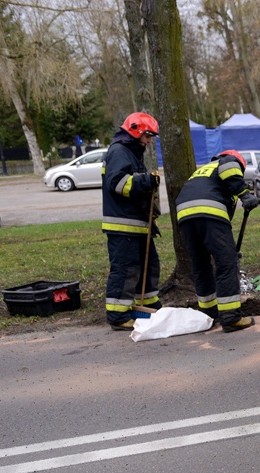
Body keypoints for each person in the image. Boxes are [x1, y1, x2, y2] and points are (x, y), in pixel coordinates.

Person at [175, 150, 259, 333]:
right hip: (209, 211)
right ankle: (230, 318)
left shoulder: (203, 171)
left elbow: (226, 216)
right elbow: (231, 171)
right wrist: (245, 194)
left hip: (184, 215)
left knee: (201, 265)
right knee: (226, 263)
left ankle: (209, 312)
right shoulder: (229, 161)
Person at [101, 112, 162, 331]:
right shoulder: (119, 152)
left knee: (149, 265)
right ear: (135, 131)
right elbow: (118, 184)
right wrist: (147, 180)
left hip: (137, 224)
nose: (148, 141)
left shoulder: (132, 154)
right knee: (126, 270)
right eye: (147, 136)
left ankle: (149, 305)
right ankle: (118, 316)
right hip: (122, 224)